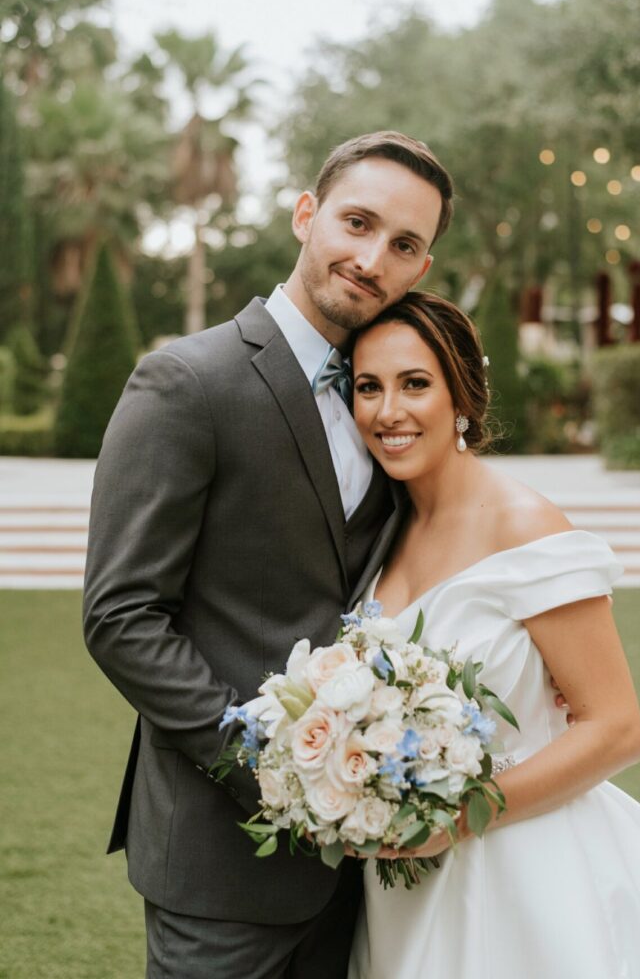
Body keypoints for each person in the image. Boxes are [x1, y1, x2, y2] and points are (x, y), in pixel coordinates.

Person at [82, 132, 454, 979]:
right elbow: (121, 617)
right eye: (356, 223)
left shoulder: (388, 400)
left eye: (402, 246)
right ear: (305, 214)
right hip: (218, 857)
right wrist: (279, 772)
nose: (371, 259)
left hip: (358, 875)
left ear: (421, 270)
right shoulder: (186, 380)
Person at [347, 291, 640, 979]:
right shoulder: (383, 530)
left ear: (461, 397)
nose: (386, 411)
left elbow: (615, 728)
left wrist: (453, 819)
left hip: (525, 868)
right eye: (367, 387)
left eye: (415, 384)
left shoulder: (524, 525)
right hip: (401, 886)